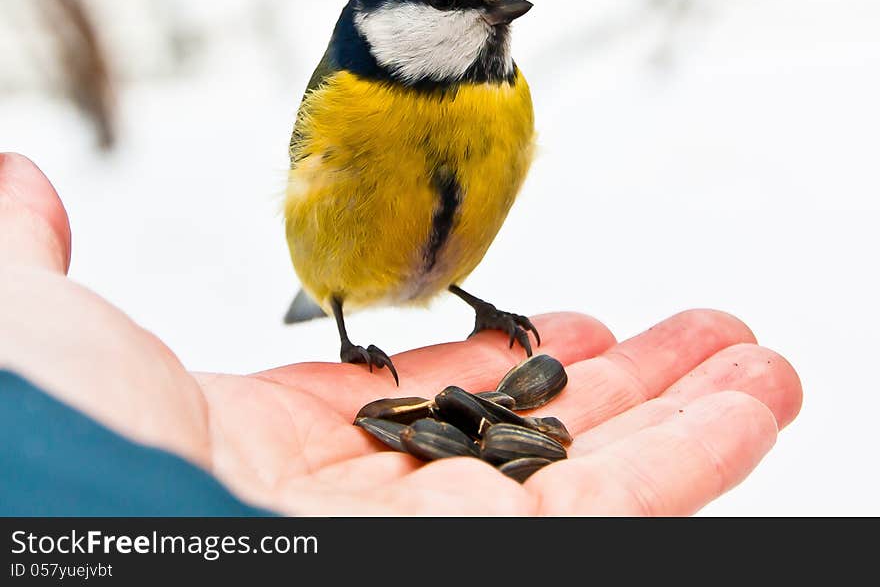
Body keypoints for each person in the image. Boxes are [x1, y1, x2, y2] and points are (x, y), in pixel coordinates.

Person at [0, 152, 802, 515]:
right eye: (451, 7)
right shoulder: (344, 95)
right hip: (339, 280)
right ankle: (339, 311)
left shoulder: (507, 101)